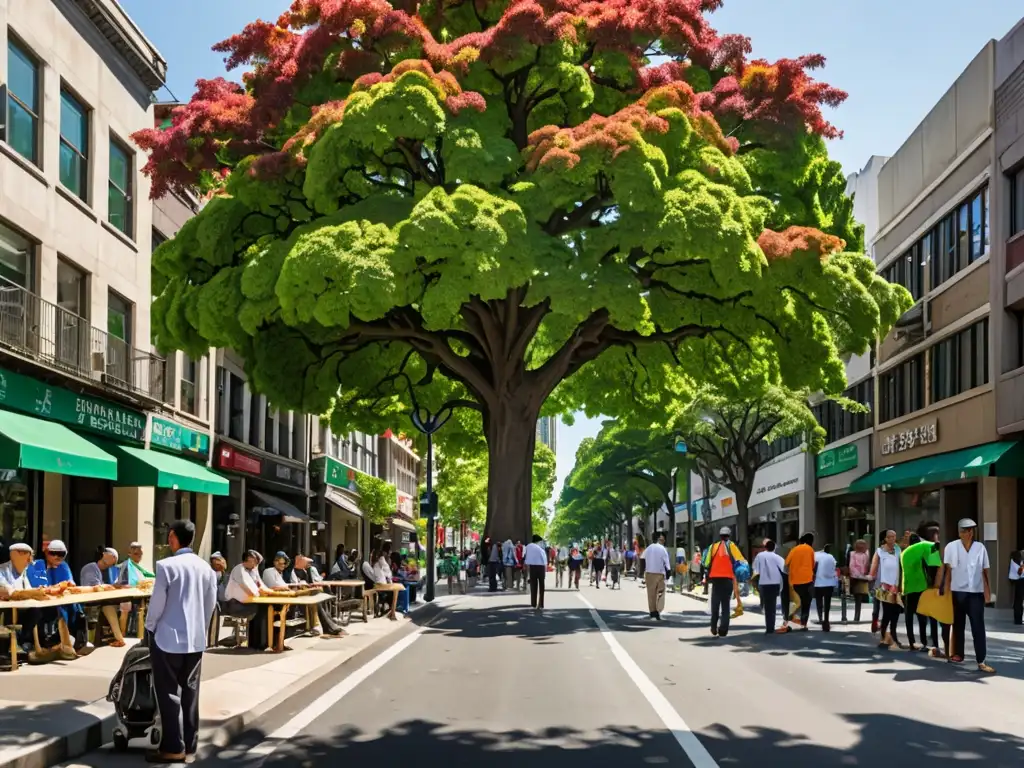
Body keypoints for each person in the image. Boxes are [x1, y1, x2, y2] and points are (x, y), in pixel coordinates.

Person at [145, 520, 218, 763]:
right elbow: (210, 605)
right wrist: (201, 629)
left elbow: (157, 604)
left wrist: (150, 627)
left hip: (167, 637)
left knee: (168, 693)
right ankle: (190, 745)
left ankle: (173, 746)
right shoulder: (206, 568)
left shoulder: (166, 566)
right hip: (196, 640)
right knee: (190, 692)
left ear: (174, 537)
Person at [941, 518, 994, 673]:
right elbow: (948, 570)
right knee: (958, 624)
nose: (969, 533)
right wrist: (945, 590)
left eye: (971, 530)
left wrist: (987, 591)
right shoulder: (951, 547)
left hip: (975, 592)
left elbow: (985, 570)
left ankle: (981, 660)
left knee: (978, 626)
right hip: (957, 591)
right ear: (959, 532)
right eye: (965, 530)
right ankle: (958, 653)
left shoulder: (980, 548)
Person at [0, 543, 48, 659]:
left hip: (21, 607)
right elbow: (7, 591)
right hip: (5, 609)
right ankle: (8, 649)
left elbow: (27, 589)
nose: (30, 561)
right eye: (27, 557)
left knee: (37, 612)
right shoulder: (2, 570)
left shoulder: (24, 572)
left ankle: (21, 642)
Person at [79, 546, 127, 648]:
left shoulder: (105, 571)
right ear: (105, 555)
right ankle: (118, 637)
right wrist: (111, 587)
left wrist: (115, 586)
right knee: (108, 604)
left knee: (115, 604)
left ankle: (118, 637)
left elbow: (103, 586)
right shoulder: (91, 568)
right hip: (89, 599)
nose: (114, 563)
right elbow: (94, 587)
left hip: (99, 599)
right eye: (114, 558)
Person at [704, 527, 745, 637]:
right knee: (726, 606)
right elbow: (740, 560)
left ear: (720, 535)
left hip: (715, 579)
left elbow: (706, 563)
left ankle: (713, 626)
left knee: (715, 604)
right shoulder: (732, 546)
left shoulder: (713, 547)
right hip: (728, 579)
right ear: (729, 535)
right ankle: (723, 630)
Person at [293, 554, 347, 637]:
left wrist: (310, 585)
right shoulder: (294, 571)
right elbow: (295, 585)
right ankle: (330, 628)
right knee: (317, 601)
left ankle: (331, 624)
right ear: (298, 562)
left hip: (307, 591)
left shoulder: (304, 570)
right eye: (304, 562)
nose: (306, 564)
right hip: (301, 594)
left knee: (322, 598)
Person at [900, 531, 936, 652]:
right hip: (921, 587)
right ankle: (924, 642)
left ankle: (911, 642)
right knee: (922, 616)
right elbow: (929, 566)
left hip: (908, 588)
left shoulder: (904, 553)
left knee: (909, 616)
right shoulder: (921, 549)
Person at [869, 529, 903, 650]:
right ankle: (883, 637)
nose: (893, 539)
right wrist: (870, 577)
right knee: (887, 613)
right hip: (884, 586)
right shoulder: (879, 551)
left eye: (894, 536)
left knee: (896, 613)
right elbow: (873, 566)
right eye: (890, 537)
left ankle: (893, 636)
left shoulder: (898, 550)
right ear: (885, 538)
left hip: (897, 586)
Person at [783, 533, 816, 632]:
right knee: (806, 603)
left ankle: (790, 620)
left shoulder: (794, 549)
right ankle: (803, 624)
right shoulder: (810, 550)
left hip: (795, 581)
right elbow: (813, 564)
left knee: (796, 602)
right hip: (807, 580)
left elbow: (786, 564)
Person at [642, 535, 670, 621]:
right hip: (660, 573)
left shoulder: (648, 548)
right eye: (663, 540)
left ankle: (652, 612)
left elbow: (642, 558)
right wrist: (668, 571)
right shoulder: (662, 549)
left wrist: (642, 571)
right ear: (659, 540)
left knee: (651, 594)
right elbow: (666, 561)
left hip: (649, 573)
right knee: (660, 592)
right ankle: (658, 610)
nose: (663, 541)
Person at [812, 544, 838, 631]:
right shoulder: (831, 557)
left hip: (818, 582)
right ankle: (826, 619)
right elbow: (834, 567)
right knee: (827, 602)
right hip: (829, 582)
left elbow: (813, 567)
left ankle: (820, 617)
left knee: (819, 601)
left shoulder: (815, 555)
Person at [847, 539, 871, 623]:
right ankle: (857, 616)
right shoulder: (866, 555)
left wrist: (857, 575)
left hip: (856, 578)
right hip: (863, 578)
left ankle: (856, 617)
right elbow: (867, 566)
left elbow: (851, 566)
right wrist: (863, 575)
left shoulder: (853, 554)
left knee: (857, 598)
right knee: (859, 599)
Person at [524, 534, 547, 612]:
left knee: (533, 586)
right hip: (541, 567)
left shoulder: (528, 546)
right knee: (541, 586)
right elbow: (544, 560)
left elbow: (526, 556)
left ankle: (533, 603)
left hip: (532, 567)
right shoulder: (540, 548)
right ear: (538, 541)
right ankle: (541, 603)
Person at [1011, 550, 1024, 626]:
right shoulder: (1016, 561)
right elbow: (1019, 572)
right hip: (1020, 580)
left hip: (1019, 581)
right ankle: (1018, 619)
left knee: (1018, 600)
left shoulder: (1014, 560)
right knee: (1019, 601)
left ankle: (1018, 619)